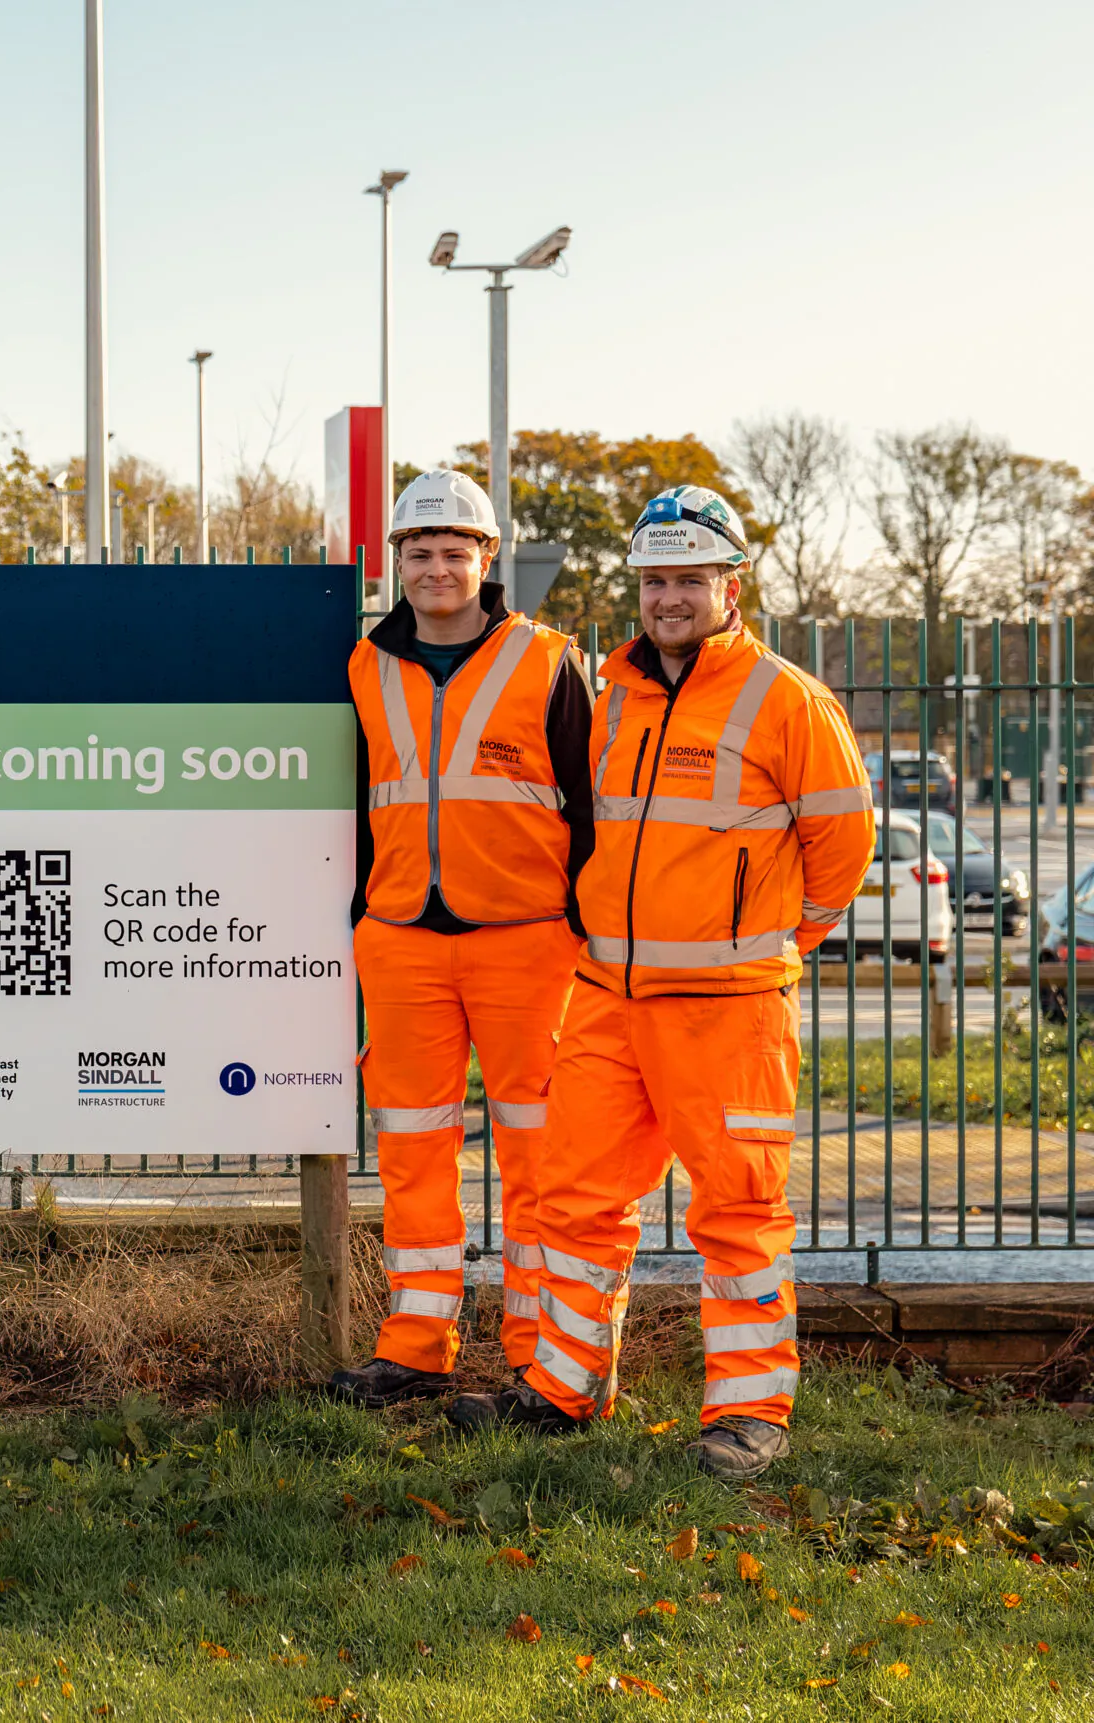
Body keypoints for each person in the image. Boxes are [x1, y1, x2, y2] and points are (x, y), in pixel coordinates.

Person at [448, 485, 872, 1482]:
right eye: (654, 581)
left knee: (736, 1210)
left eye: (688, 579)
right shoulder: (617, 699)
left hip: (728, 1012)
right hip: (606, 998)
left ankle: (749, 1411)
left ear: (730, 587)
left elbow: (839, 852)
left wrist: (769, 944)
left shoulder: (786, 700)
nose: (669, 598)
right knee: (572, 1200)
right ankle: (561, 1388)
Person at [328, 469, 594, 1408]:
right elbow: (357, 806)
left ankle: (538, 1352)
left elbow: (589, 808)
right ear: (396, 562)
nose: (437, 568)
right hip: (400, 937)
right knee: (410, 1146)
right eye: (419, 552)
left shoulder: (549, 659)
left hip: (529, 941)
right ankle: (414, 1341)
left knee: (542, 1153)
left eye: (456, 552)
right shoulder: (366, 665)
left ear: (488, 560)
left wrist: (585, 926)